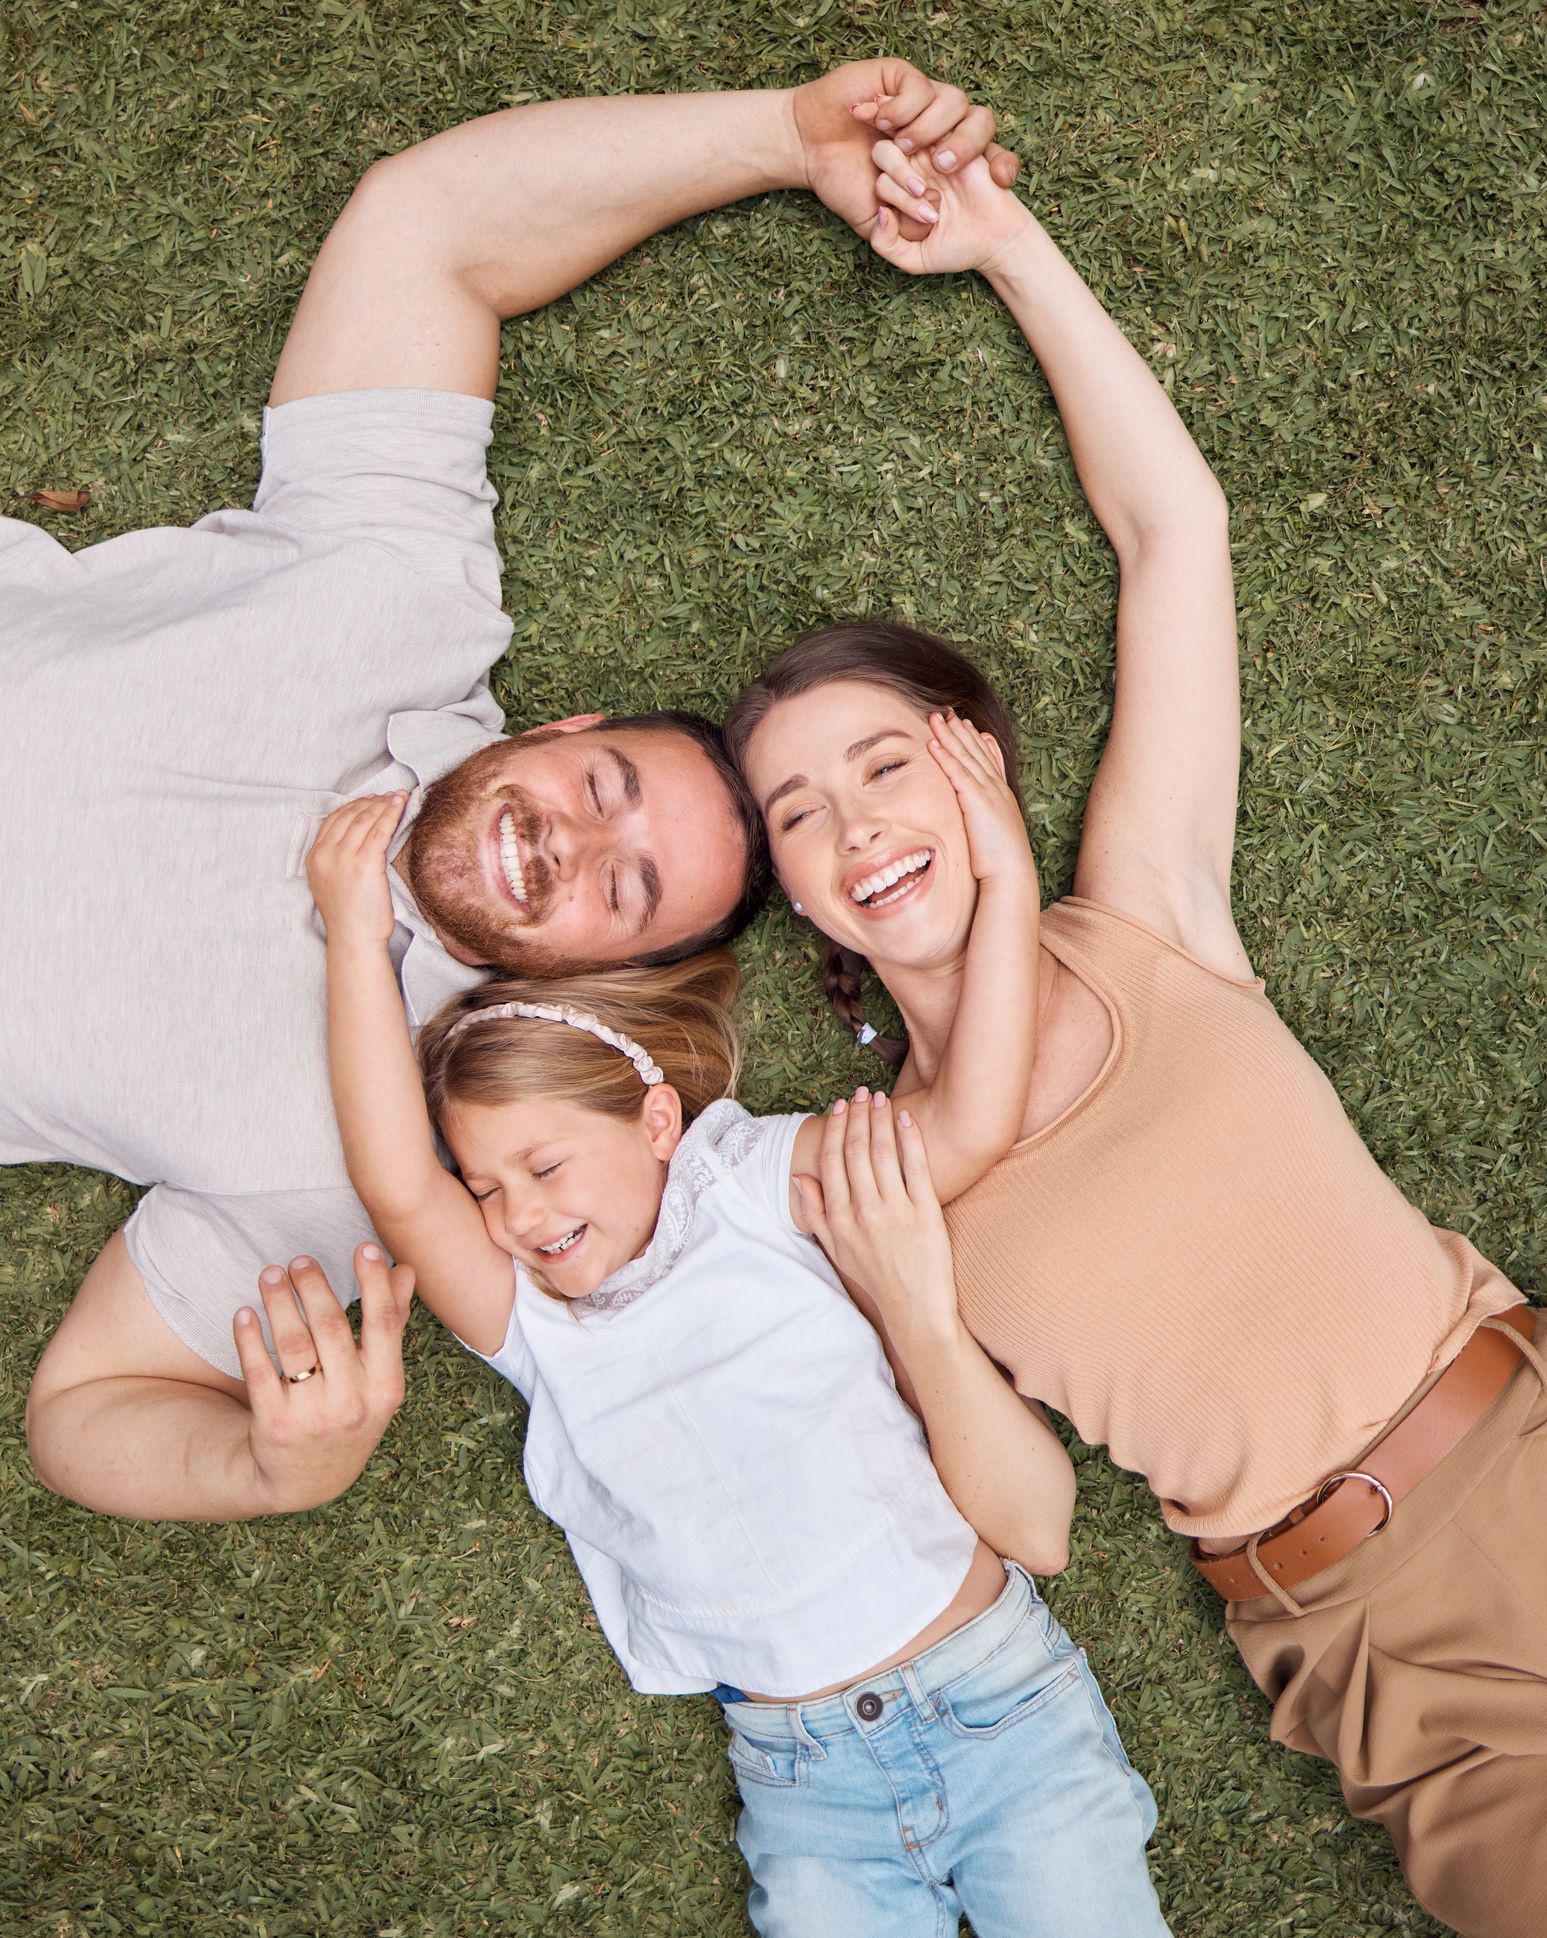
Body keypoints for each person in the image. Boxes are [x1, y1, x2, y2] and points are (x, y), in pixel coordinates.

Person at [7, 60, 1021, 1522]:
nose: (568, 844)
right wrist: (782, 137)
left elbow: (84, 1410)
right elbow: (428, 228)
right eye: (601, 786)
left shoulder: (383, 1142)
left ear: (607, 968)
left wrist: (270, 1461)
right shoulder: (399, 604)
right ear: (561, 724)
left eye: (621, 889)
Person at [725, 147, 1545, 1938]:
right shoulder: (877, 1177)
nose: (857, 823)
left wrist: (1006, 242)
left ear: (978, 755)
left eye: (887, 760)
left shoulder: (1145, 913)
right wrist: (924, 1312)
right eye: (798, 813)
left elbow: (1175, 529)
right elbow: (1024, 1517)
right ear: (794, 893)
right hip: (1374, 1642)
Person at [298, 731, 1169, 1938]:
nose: (522, 1215)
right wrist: (357, 940)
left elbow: (966, 1126)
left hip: (993, 1703)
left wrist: (1006, 884)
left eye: (544, 1165)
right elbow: (402, 1187)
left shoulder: (750, 1185)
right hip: (804, 1779)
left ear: (659, 1120)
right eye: (488, 1188)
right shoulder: (534, 1324)